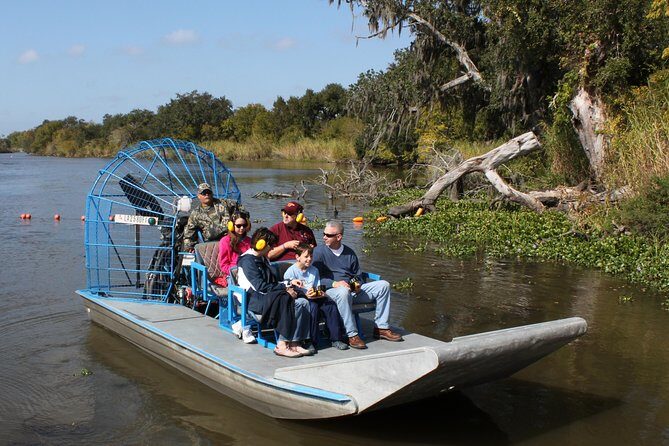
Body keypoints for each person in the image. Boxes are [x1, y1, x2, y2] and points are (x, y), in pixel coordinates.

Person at [313, 220, 403, 349]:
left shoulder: (350, 253)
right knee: (343, 292)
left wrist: (356, 285)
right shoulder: (318, 252)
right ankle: (352, 335)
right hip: (331, 292)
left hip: (351, 291)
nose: (324, 237)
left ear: (338, 237)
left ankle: (381, 328)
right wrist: (334, 283)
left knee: (384, 285)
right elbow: (315, 278)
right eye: (324, 234)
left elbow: (357, 276)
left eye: (328, 235)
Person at [237, 227, 313, 358]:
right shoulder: (247, 261)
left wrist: (289, 282)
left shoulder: (262, 258)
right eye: (271, 246)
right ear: (262, 245)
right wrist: (284, 289)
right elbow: (260, 287)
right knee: (288, 300)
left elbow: (272, 282)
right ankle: (282, 345)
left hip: (267, 296)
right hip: (253, 299)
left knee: (302, 301)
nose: (272, 249)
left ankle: (295, 342)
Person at [283, 243, 349, 352]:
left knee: (330, 305)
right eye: (306, 257)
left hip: (314, 296)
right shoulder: (291, 271)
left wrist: (320, 293)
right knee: (312, 308)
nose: (309, 259)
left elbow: (317, 286)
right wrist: (305, 294)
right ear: (297, 257)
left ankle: (336, 338)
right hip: (300, 297)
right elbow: (290, 289)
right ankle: (310, 341)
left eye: (311, 256)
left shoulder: (314, 270)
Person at [183, 182, 244, 252]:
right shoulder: (195, 213)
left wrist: (239, 220)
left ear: (212, 194)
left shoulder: (224, 203)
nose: (207, 195)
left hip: (230, 240)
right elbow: (189, 231)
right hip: (211, 244)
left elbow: (241, 209)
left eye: (209, 192)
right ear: (199, 196)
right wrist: (189, 246)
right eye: (204, 193)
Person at [215, 211, 251, 288]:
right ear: (231, 226)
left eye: (244, 225)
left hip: (249, 272)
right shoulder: (225, 241)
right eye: (238, 226)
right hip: (233, 274)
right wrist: (237, 271)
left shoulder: (250, 241)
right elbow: (224, 265)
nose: (242, 228)